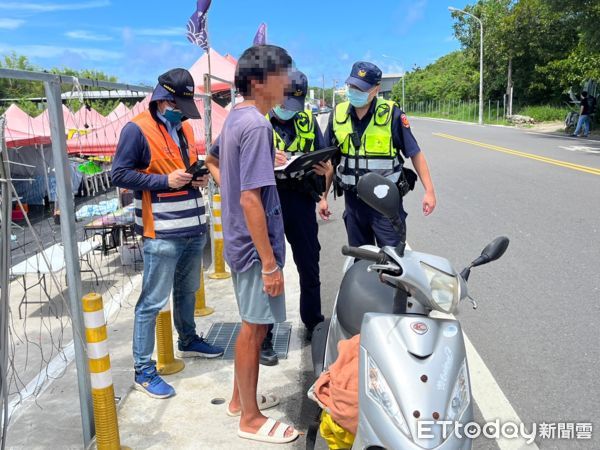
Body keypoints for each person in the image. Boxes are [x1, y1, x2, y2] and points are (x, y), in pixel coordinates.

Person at [112, 68, 223, 399]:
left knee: (187, 290)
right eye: (177, 105)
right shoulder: (137, 130)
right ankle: (143, 370)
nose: (181, 112)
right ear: (162, 99)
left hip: (191, 225)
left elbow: (185, 166)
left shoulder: (184, 127)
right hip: (160, 231)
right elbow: (119, 174)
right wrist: (163, 182)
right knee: (152, 301)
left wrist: (196, 178)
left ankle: (188, 339)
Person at [207, 45, 299, 444]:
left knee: (252, 325)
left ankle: (236, 399)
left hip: (239, 241)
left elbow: (212, 161)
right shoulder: (258, 126)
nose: (289, 81)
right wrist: (269, 263)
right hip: (253, 248)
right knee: (254, 329)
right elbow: (250, 198)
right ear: (259, 82)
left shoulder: (236, 120)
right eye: (283, 74)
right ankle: (249, 417)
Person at [207, 71, 330, 366]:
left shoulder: (306, 121)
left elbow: (325, 162)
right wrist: (236, 186)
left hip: (300, 199)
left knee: (309, 263)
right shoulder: (254, 123)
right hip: (266, 203)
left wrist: (324, 190)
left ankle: (313, 323)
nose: (290, 108)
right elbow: (215, 160)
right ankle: (265, 337)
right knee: (268, 268)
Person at [324, 61, 436, 247]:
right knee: (360, 260)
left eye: (361, 88)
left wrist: (429, 192)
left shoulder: (392, 114)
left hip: (385, 202)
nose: (354, 91)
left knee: (392, 263)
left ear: (376, 89)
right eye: (352, 86)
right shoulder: (338, 114)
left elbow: (414, 153)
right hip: (354, 203)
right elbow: (328, 160)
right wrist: (323, 197)